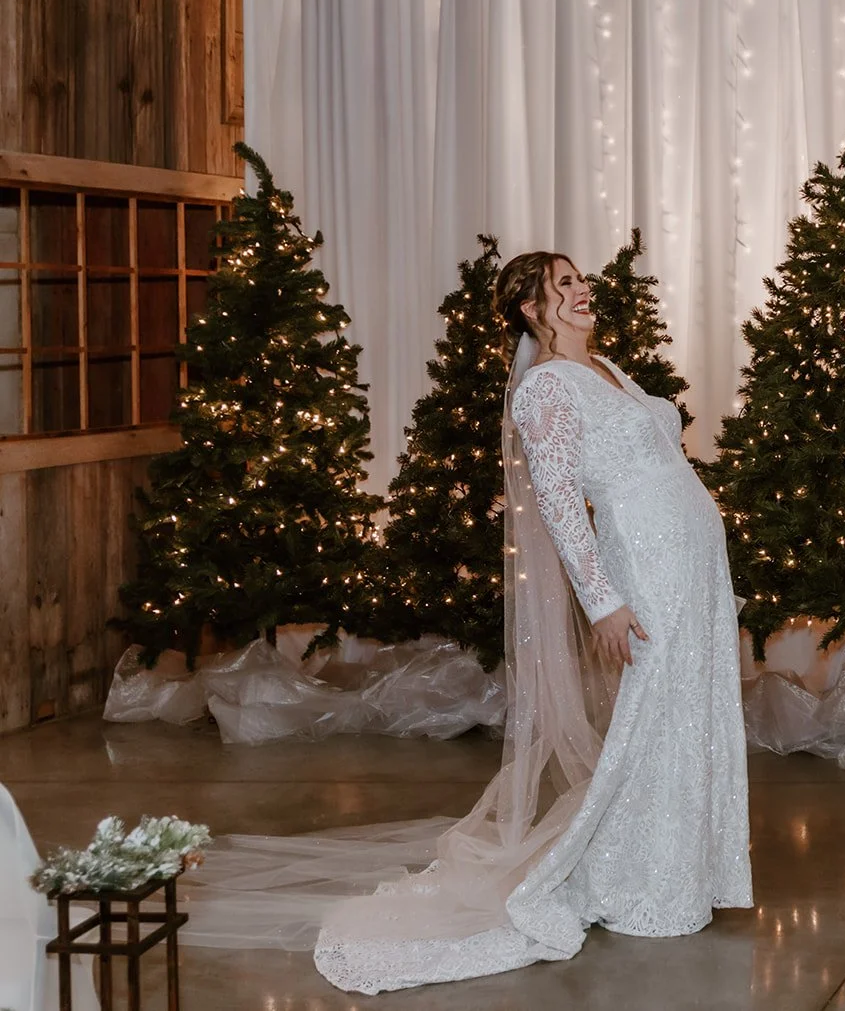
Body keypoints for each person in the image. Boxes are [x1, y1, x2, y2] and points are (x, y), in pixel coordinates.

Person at [182, 250, 752, 994]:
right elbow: (555, 505)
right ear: (529, 309)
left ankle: (686, 864)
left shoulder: (610, 367)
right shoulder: (545, 390)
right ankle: (635, 880)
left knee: (690, 709)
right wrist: (603, 601)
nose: (582, 293)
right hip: (642, 566)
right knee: (655, 714)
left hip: (691, 565)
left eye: (581, 281)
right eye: (562, 287)